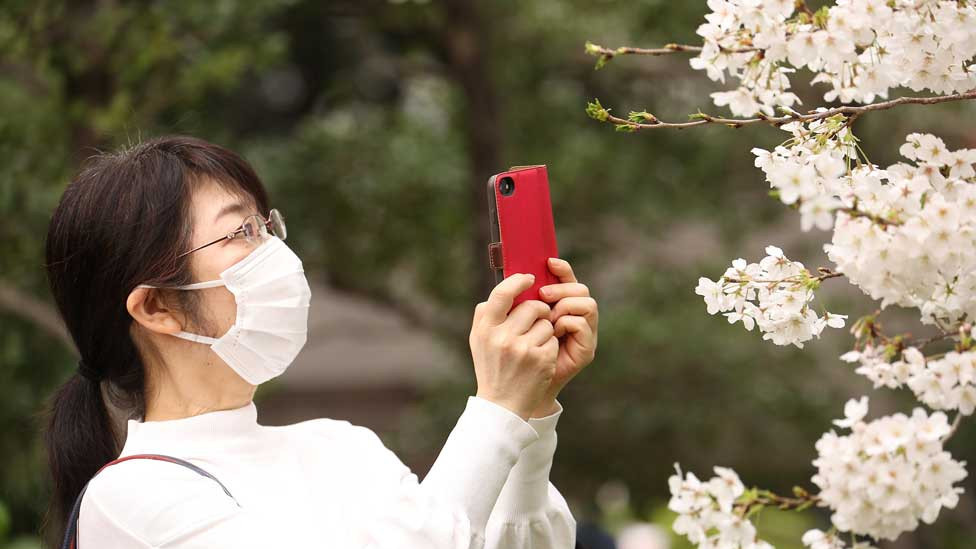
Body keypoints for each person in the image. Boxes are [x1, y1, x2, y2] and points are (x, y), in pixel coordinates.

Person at [41, 135, 599, 548]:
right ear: (156, 307)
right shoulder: (132, 499)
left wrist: (530, 410)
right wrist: (498, 412)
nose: (275, 255)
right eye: (241, 233)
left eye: (267, 227)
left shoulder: (339, 447)